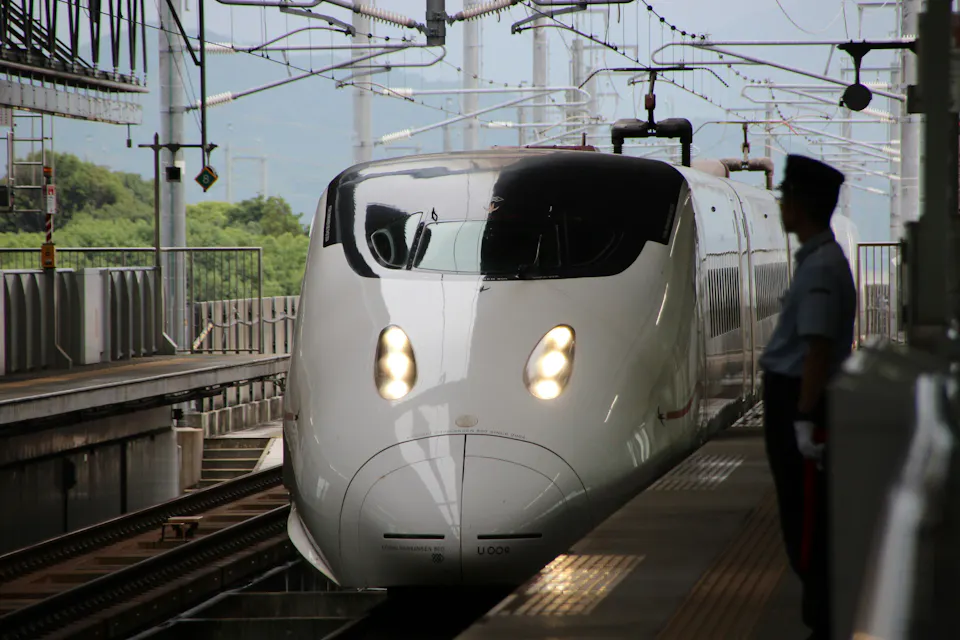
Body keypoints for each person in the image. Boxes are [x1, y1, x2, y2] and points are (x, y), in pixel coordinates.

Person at [758, 155, 857, 640]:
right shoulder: (821, 261)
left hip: (799, 401)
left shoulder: (819, 268)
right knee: (805, 518)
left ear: (800, 204)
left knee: (806, 522)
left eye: (785, 196)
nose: (780, 205)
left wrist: (802, 418)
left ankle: (824, 622)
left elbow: (816, 350)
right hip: (801, 399)